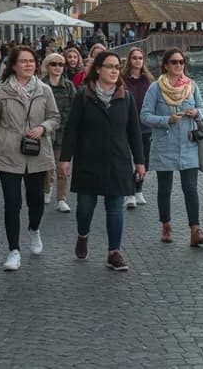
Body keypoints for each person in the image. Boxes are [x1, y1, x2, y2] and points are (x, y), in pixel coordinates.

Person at [60, 50, 144, 271]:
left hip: (118, 160)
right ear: (98, 69)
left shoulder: (125, 97)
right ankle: (83, 235)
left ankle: (113, 252)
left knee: (115, 207)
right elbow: (72, 129)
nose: (115, 71)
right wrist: (65, 158)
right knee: (85, 208)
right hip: (88, 160)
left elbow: (134, 131)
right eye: (110, 66)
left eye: (117, 67)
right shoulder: (83, 95)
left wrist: (140, 161)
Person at [0, 46, 59, 272]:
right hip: (8, 152)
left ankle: (34, 228)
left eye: (31, 61)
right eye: (23, 61)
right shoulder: (1, 90)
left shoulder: (44, 90)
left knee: (35, 199)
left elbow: (55, 117)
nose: (28, 65)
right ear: (13, 65)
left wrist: (43, 127)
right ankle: (13, 250)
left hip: (37, 152)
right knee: (12, 203)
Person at [141, 48, 203, 247]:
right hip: (165, 144)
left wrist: (197, 112)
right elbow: (144, 116)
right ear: (166, 65)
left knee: (190, 188)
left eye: (181, 62)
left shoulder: (192, 86)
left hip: (188, 144)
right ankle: (166, 225)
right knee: (164, 189)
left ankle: (195, 230)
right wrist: (167, 119)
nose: (178, 65)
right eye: (174, 62)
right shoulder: (155, 88)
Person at [41, 52, 75, 213]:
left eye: (61, 64)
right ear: (47, 66)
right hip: (45, 132)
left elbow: (75, 108)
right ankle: (46, 190)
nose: (57, 67)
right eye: (54, 64)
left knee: (62, 167)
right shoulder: (40, 84)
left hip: (64, 132)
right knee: (46, 166)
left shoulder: (69, 86)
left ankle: (61, 198)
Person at [121, 47, 154, 209]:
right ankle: (129, 193)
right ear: (129, 60)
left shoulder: (148, 80)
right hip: (126, 125)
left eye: (140, 58)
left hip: (145, 125)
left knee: (144, 160)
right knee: (127, 160)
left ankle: (138, 189)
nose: (137, 61)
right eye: (134, 58)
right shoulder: (122, 80)